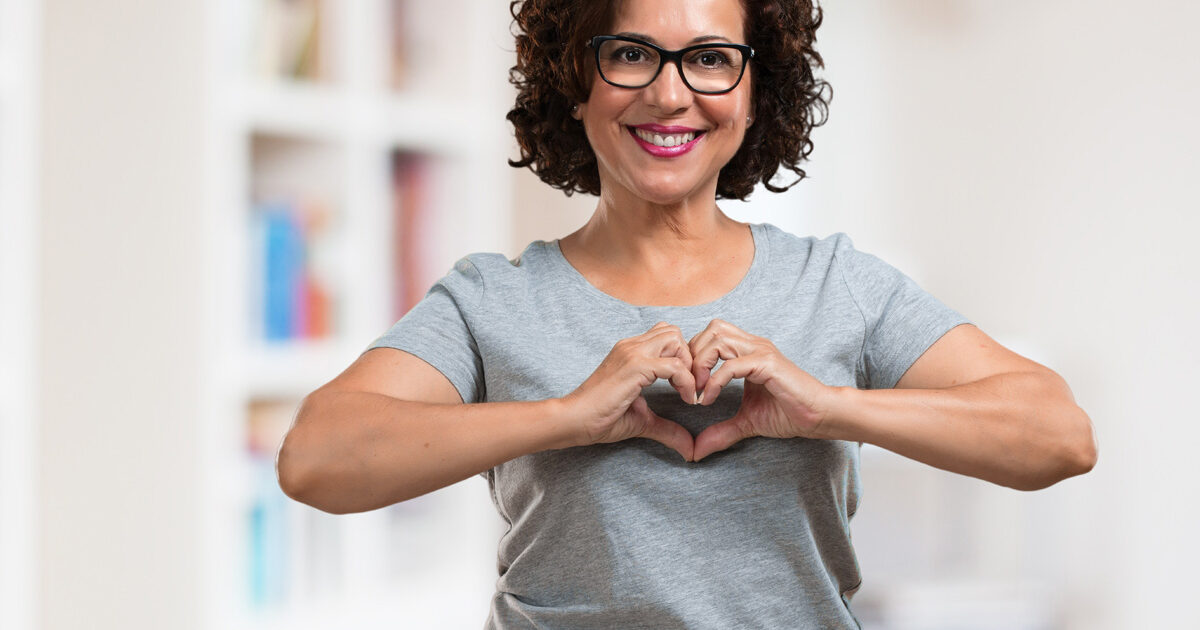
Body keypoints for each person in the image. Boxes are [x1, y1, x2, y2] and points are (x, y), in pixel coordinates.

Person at [277, 0, 1099, 627]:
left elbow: (1058, 435)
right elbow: (317, 458)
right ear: (575, 78)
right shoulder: (494, 298)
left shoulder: (837, 283)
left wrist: (829, 407)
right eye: (631, 54)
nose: (670, 95)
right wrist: (565, 416)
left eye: (710, 58)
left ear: (753, 91)